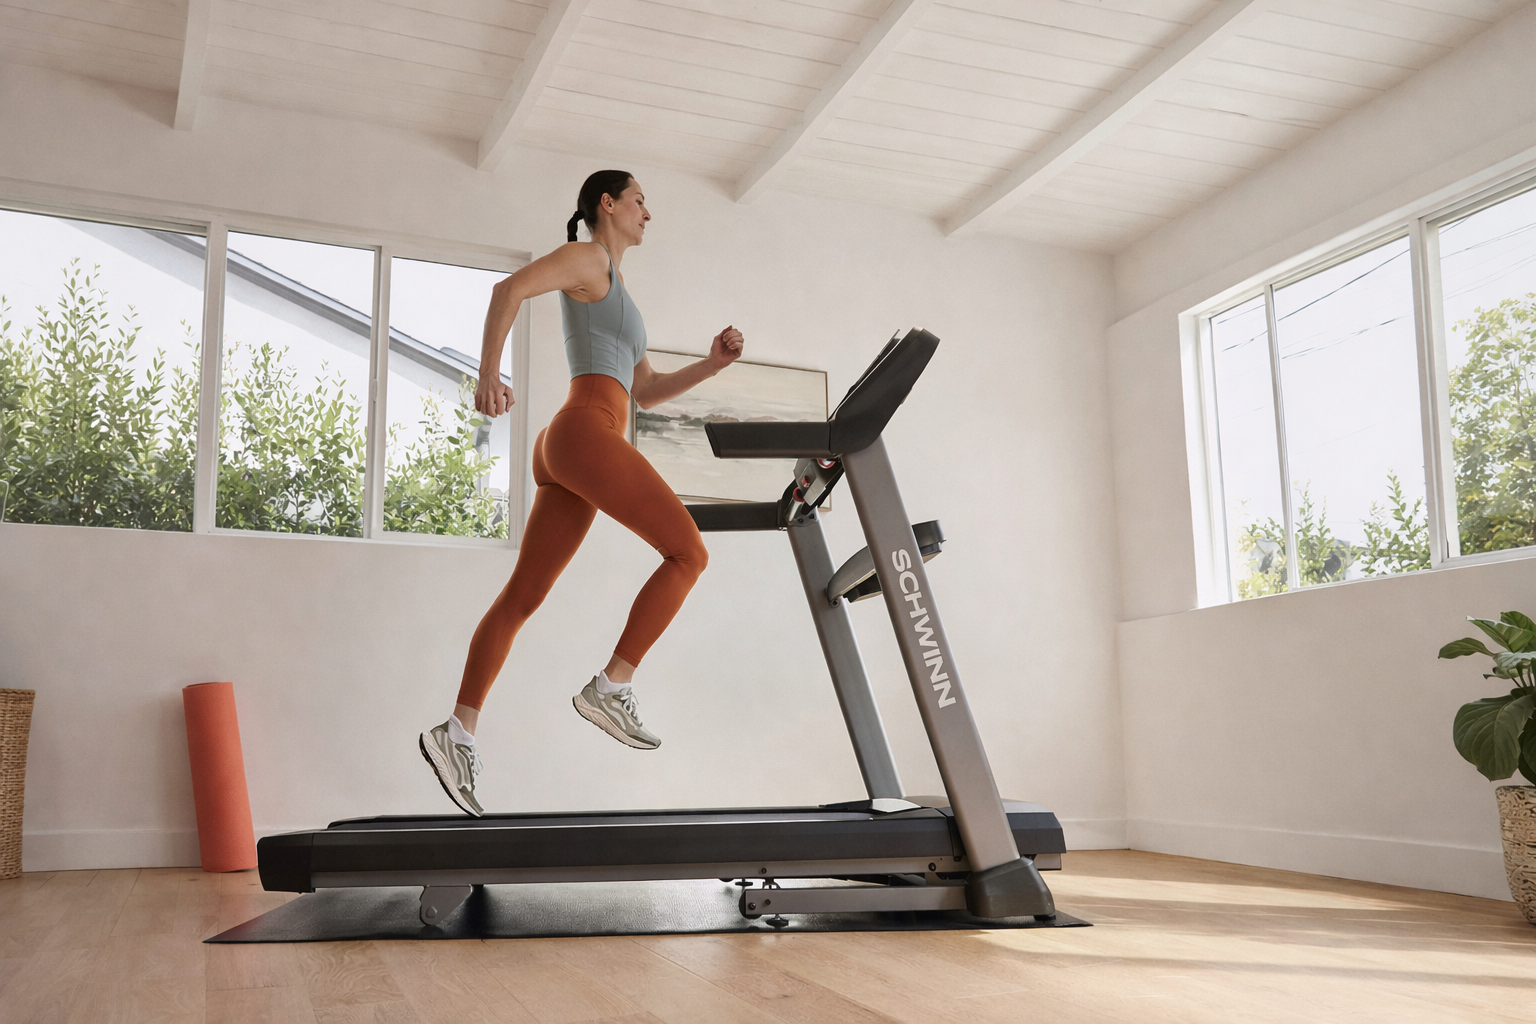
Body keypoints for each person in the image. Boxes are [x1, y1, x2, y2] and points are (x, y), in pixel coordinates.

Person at [419, 170, 745, 816]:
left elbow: (643, 392)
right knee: (690, 554)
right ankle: (612, 686)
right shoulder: (590, 258)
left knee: (520, 599)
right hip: (584, 431)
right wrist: (488, 374)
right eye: (640, 201)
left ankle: (456, 733)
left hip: (571, 441)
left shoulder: (616, 284)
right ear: (608, 204)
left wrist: (711, 364)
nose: (648, 213)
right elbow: (509, 289)